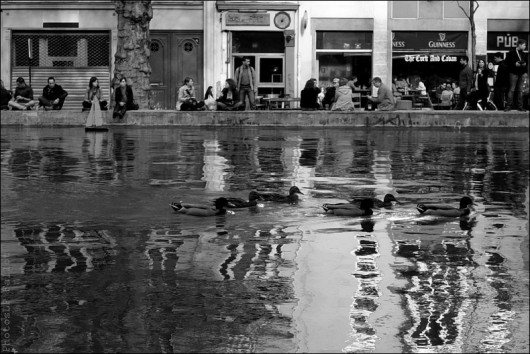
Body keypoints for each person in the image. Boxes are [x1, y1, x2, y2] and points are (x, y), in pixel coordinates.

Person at [504, 38, 528, 111]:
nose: (525, 47)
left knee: (520, 90)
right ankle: (508, 106)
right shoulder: (511, 52)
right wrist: (514, 64)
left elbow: (527, 63)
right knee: (512, 89)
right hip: (513, 73)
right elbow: (506, 62)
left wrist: (525, 65)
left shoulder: (524, 53)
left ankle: (520, 106)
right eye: (524, 45)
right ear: (519, 45)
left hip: (522, 73)